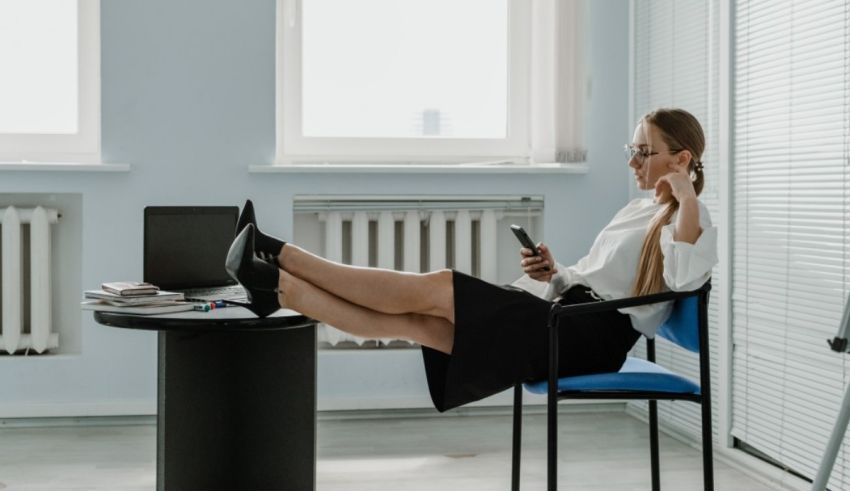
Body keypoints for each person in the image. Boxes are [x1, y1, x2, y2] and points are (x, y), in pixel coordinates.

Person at [225, 107, 718, 412]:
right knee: (417, 323)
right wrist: (557, 271)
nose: (632, 161)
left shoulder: (693, 221)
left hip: (587, 335)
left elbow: (681, 279)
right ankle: (278, 287)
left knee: (438, 288)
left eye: (644, 151)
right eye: (631, 150)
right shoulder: (637, 210)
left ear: (681, 158)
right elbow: (599, 277)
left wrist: (685, 197)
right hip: (567, 313)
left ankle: (279, 252)